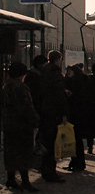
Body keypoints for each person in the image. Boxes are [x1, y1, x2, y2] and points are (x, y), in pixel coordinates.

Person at [2, 62, 40, 192]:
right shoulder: (21, 88)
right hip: (21, 125)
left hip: (9, 124)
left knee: (11, 152)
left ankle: (11, 178)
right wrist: (35, 120)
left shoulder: (6, 86)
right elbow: (26, 108)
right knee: (23, 152)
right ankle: (25, 181)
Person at [39, 50, 69, 183]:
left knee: (46, 142)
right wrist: (64, 113)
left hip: (44, 110)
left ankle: (45, 169)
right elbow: (58, 95)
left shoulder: (43, 71)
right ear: (58, 59)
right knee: (52, 143)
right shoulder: (56, 73)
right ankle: (50, 172)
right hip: (53, 112)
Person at [65, 64, 89, 172]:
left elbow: (81, 99)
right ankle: (75, 162)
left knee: (77, 140)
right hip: (76, 115)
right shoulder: (75, 82)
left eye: (70, 72)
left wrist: (71, 95)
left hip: (77, 115)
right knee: (74, 140)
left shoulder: (79, 83)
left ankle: (78, 162)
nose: (68, 74)